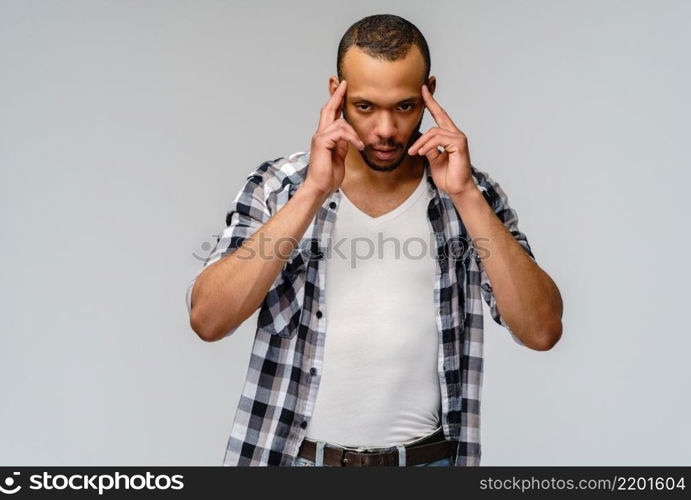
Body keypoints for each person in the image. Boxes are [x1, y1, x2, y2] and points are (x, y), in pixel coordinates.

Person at [186, 14, 563, 467]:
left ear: (429, 93)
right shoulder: (280, 186)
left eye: (403, 106)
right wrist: (313, 192)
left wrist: (465, 196)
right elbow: (208, 319)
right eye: (365, 107)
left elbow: (541, 330)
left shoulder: (469, 195)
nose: (385, 130)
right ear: (336, 93)